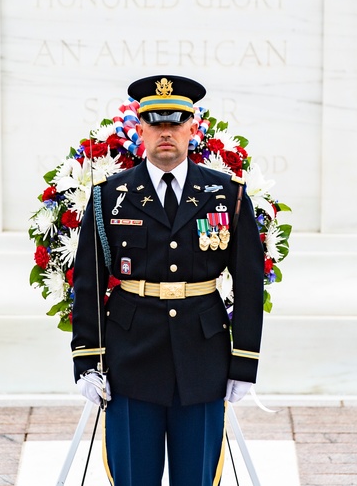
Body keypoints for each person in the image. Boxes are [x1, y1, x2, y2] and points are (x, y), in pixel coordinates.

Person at [70, 74, 265, 486]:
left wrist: (244, 362)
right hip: (131, 356)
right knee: (133, 477)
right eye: (155, 123)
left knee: (195, 478)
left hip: (203, 355)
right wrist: (87, 360)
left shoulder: (225, 193)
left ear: (193, 126)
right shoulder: (110, 195)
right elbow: (88, 280)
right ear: (139, 128)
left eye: (175, 123)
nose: (165, 133)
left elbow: (249, 281)